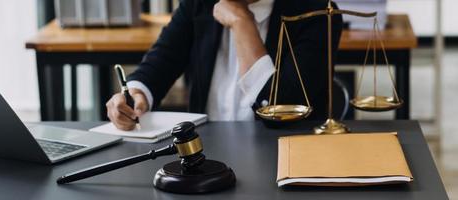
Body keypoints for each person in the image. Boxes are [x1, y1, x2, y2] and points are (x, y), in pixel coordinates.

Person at [106, 0, 342, 130]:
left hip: (285, 154)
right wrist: (136, 94)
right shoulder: (199, 4)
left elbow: (281, 106)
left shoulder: (318, 12)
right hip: (206, 156)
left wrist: (242, 22)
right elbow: (161, 61)